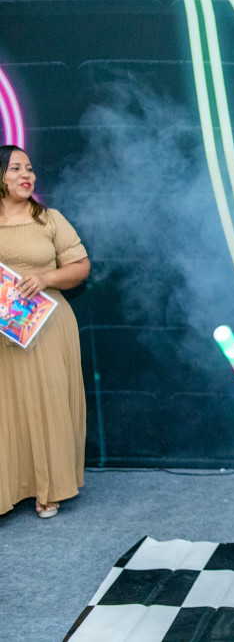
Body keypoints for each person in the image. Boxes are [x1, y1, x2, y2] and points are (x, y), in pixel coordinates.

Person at [0, 145, 90, 519]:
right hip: (4, 333)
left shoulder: (49, 219)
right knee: (7, 408)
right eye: (16, 168)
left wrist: (46, 277)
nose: (27, 175)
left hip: (49, 326)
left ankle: (48, 488)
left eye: (30, 168)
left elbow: (81, 266)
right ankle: (8, 489)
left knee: (49, 404)